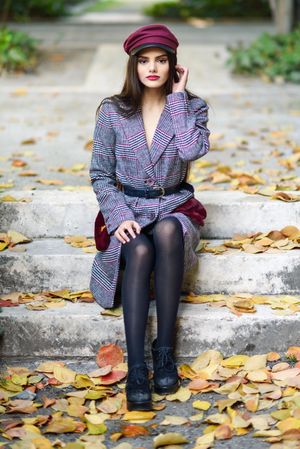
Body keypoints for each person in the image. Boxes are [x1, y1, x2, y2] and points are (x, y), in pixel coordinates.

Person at [89, 24, 210, 411]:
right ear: (133, 66)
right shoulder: (113, 111)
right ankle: (138, 365)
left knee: (170, 231)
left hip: (174, 206)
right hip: (129, 209)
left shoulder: (192, 106)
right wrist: (119, 213)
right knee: (139, 251)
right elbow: (100, 174)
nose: (152, 68)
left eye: (161, 60)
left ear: (173, 65)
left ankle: (165, 352)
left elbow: (191, 151)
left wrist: (177, 99)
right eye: (144, 61)